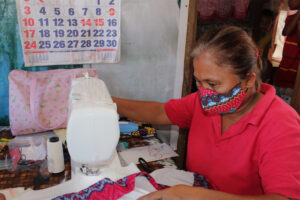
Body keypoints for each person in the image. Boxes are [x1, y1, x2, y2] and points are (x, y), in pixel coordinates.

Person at [112, 26, 300, 200]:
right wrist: (109, 102)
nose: (204, 93)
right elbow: (161, 112)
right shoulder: (207, 103)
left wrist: (200, 196)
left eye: (213, 84)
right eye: (199, 82)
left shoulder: (282, 125)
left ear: (249, 80)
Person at [273, 0, 300, 104]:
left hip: (294, 77)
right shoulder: (292, 16)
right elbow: (286, 32)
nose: (289, 1)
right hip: (284, 70)